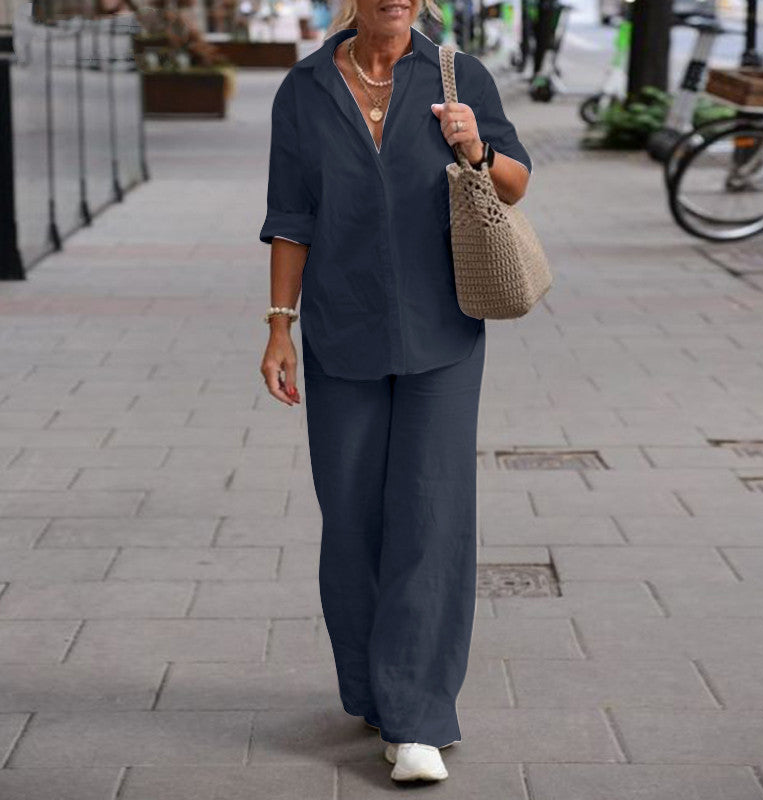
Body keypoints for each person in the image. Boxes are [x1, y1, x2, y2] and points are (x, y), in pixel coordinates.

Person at [258, 0, 532, 783]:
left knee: (431, 513)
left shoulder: (458, 74)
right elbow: (290, 216)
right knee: (351, 519)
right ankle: (377, 687)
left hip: (443, 330)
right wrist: (281, 324)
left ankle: (417, 715)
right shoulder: (305, 89)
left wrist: (475, 146)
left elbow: (514, 184)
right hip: (341, 331)